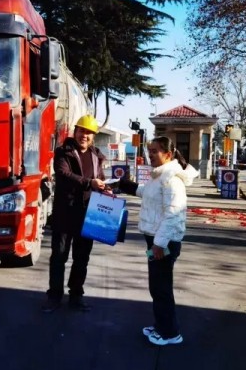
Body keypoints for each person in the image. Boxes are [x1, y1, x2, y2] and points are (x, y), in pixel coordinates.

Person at [119, 136, 199, 346]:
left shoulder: (171, 180)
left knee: (162, 288)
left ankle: (170, 333)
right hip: (156, 241)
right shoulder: (159, 176)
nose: (150, 155)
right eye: (149, 151)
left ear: (168, 154)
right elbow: (147, 192)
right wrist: (124, 185)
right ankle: (161, 325)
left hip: (164, 243)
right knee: (157, 286)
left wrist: (159, 244)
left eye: (155, 151)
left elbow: (173, 214)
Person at [42, 115, 107, 313]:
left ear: (93, 136)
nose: (84, 135)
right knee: (59, 257)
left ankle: (76, 296)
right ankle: (54, 296)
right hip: (65, 213)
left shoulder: (96, 155)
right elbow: (63, 175)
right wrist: (89, 183)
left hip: (88, 214)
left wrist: (105, 187)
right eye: (81, 131)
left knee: (82, 258)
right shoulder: (63, 152)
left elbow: (100, 178)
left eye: (88, 133)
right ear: (75, 131)